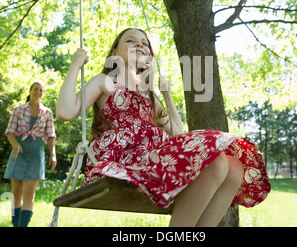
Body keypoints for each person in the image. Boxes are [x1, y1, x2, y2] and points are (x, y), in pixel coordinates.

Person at [56, 28, 270, 226]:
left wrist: (167, 95)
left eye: (144, 44)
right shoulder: (104, 81)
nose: (140, 45)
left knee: (232, 167)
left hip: (153, 157)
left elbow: (177, 131)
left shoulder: (148, 95)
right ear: (114, 52)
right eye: (130, 41)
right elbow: (65, 112)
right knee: (217, 163)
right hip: (124, 160)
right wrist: (75, 66)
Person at [4, 80, 57, 227]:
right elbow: (10, 132)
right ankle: (16, 224)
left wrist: (53, 154)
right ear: (30, 91)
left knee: (29, 192)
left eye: (41, 90)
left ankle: (22, 225)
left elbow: (51, 135)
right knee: (16, 191)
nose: (38, 92)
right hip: (18, 151)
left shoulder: (47, 112)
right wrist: (15, 145)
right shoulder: (18, 110)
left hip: (36, 152)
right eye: (35, 89)